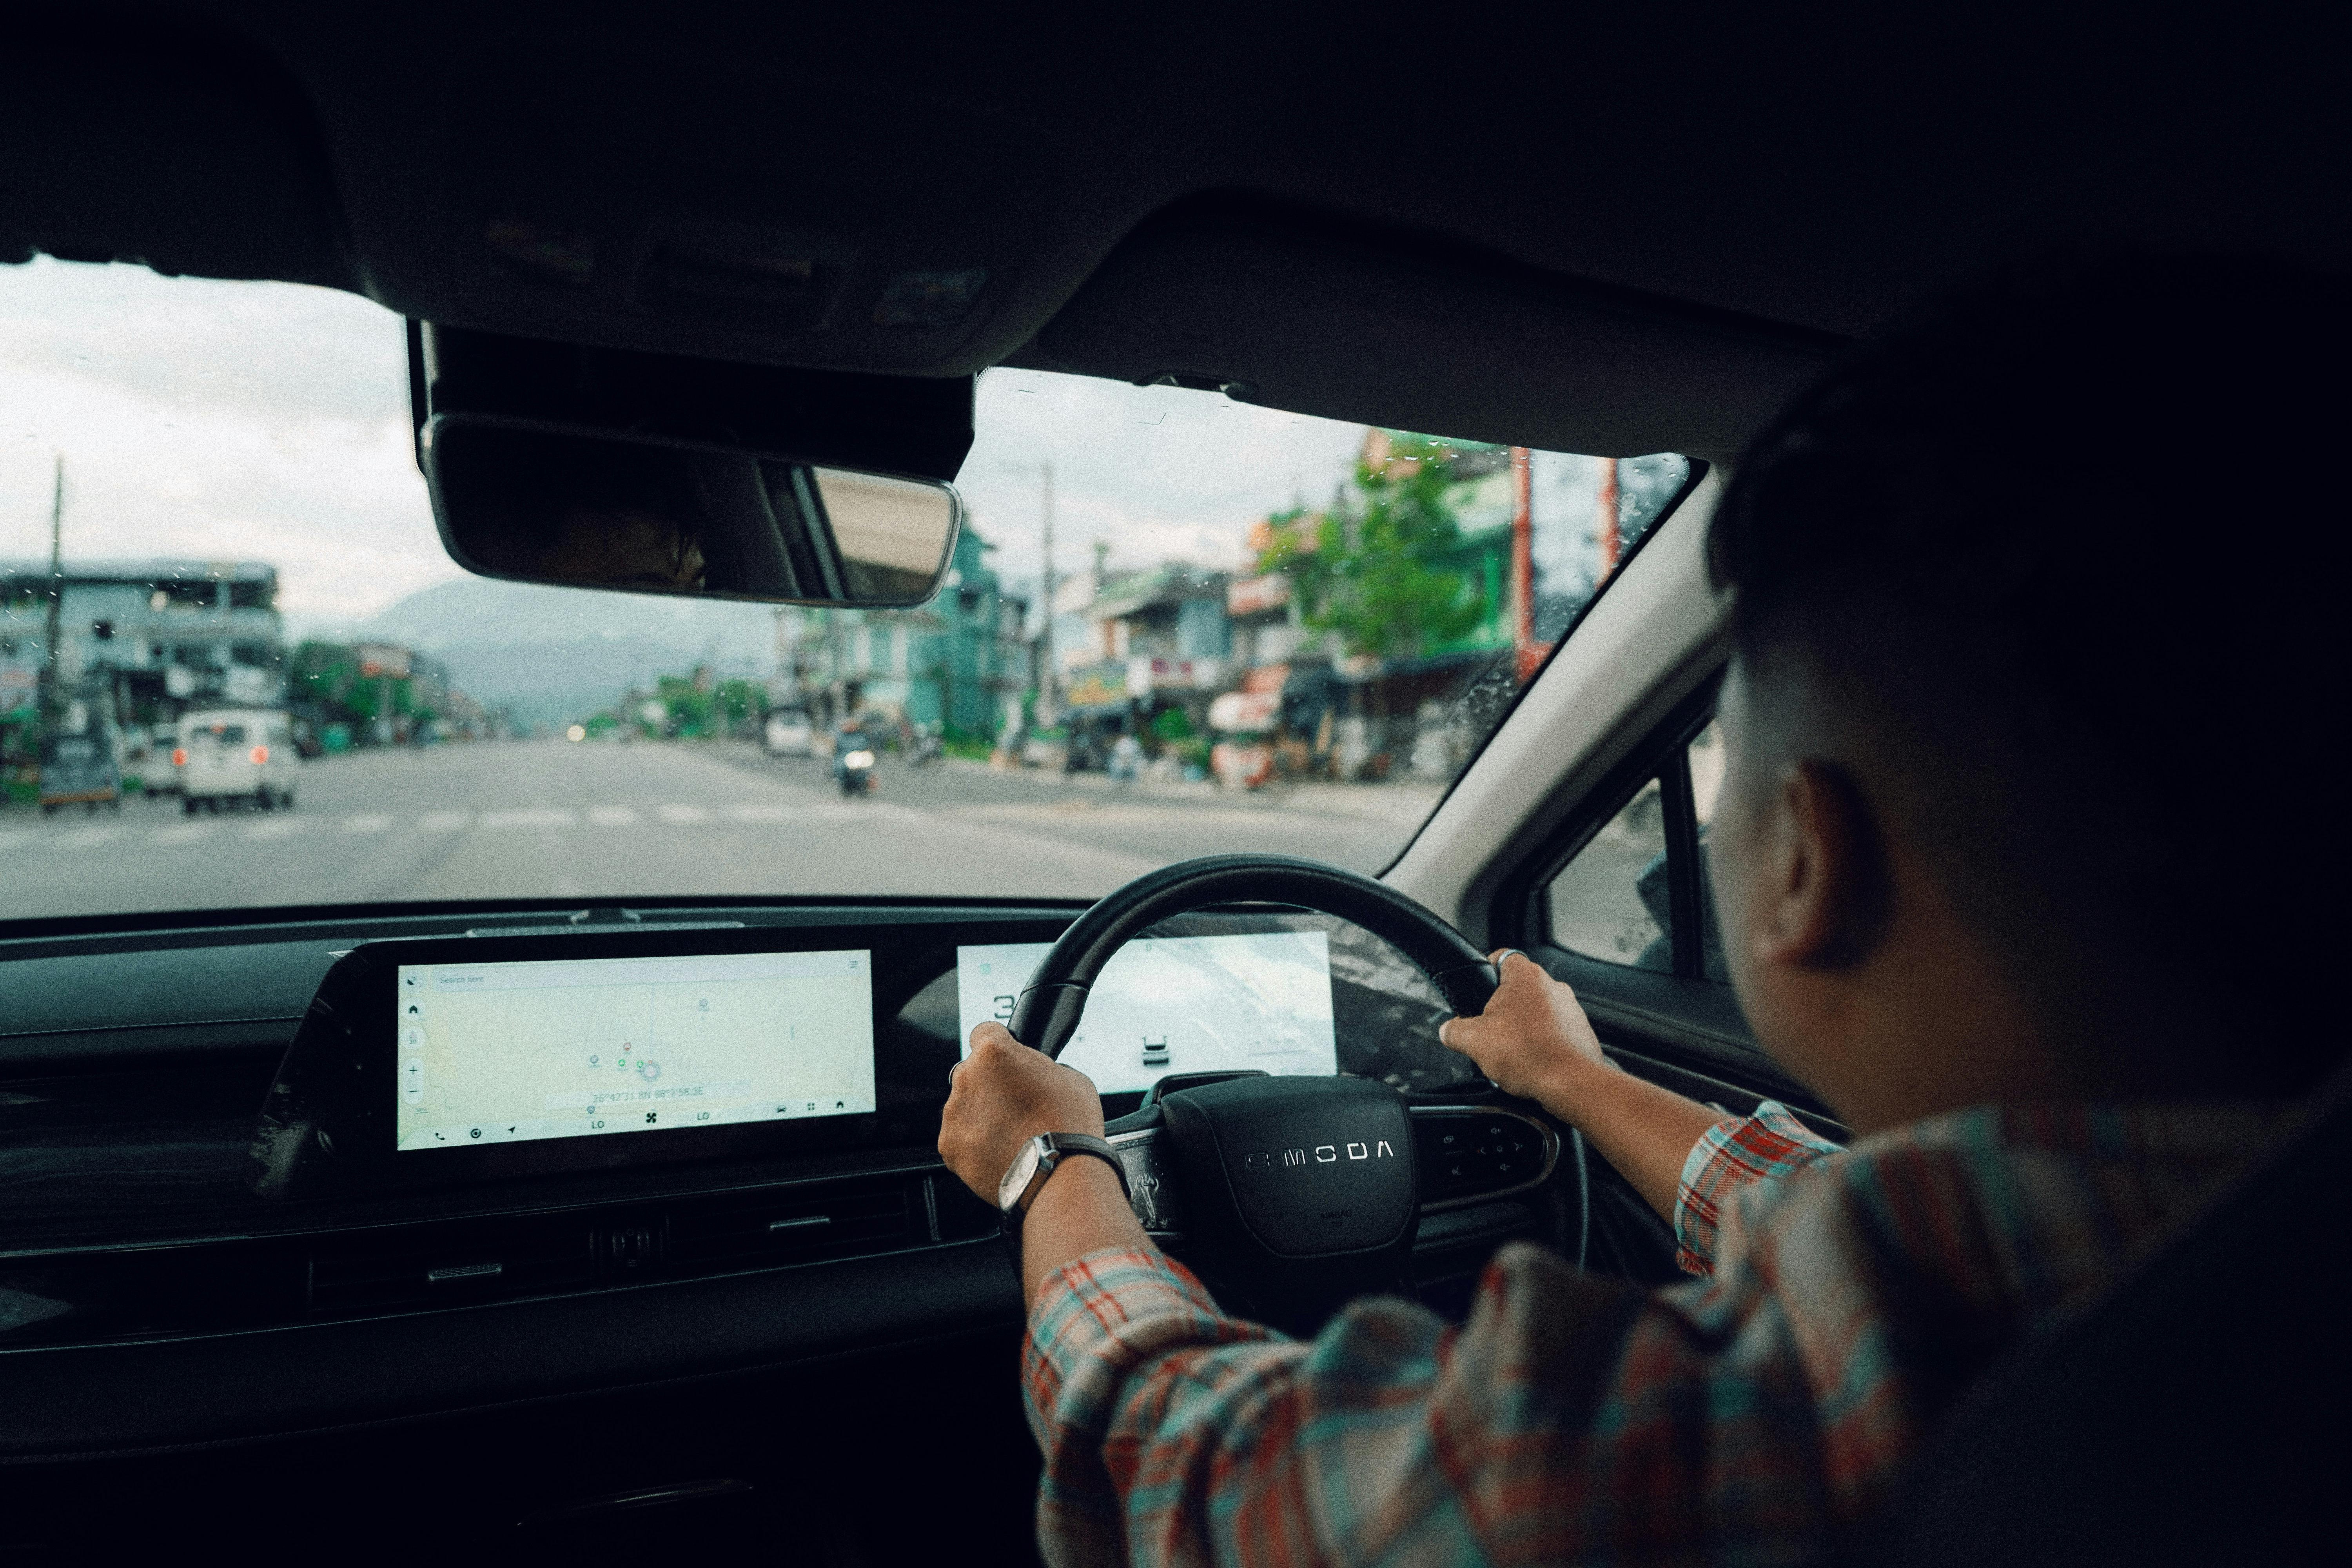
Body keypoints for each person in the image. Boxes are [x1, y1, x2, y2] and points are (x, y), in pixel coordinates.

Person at [936, 255, 2347, 1564]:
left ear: (1804, 861)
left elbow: (1187, 1467)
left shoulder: (1723, 1447)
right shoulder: (2201, 1271)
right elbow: (1853, 1230)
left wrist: (1055, 1168)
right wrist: (1572, 1080)